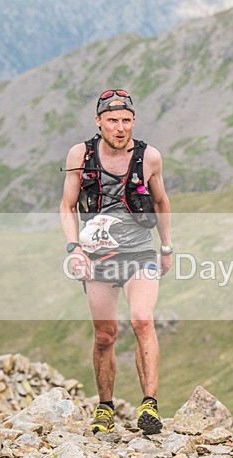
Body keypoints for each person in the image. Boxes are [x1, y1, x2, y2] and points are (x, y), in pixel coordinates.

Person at [60, 89, 173, 436]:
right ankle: (105, 407)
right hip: (96, 257)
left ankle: (149, 405)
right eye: (112, 121)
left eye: (126, 120)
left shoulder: (149, 157)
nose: (120, 128)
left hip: (140, 252)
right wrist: (73, 248)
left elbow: (162, 202)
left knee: (142, 320)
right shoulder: (80, 154)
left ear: (133, 122)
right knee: (105, 335)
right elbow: (67, 206)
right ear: (99, 122)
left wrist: (166, 246)